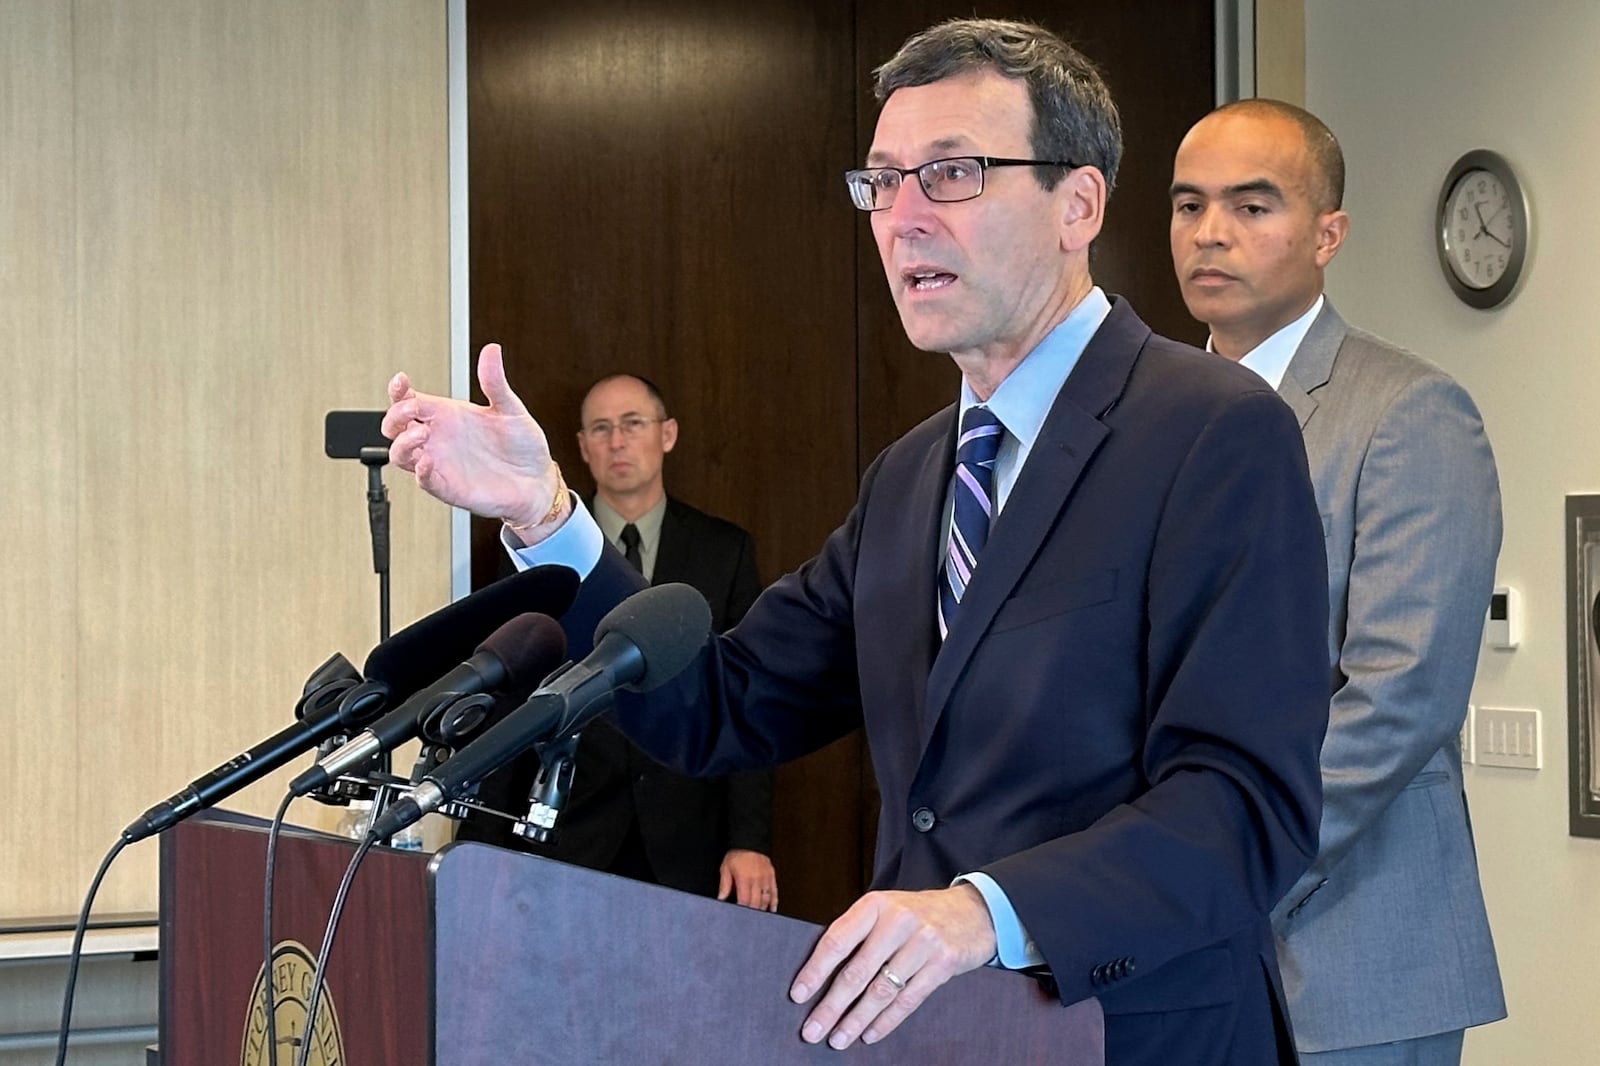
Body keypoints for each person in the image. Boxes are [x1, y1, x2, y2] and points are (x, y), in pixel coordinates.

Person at [384, 18, 1330, 1064]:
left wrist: (982, 911)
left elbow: (1244, 806)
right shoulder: (913, 474)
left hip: (1137, 1034)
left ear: (1080, 204)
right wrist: (542, 514)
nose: (903, 219)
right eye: (881, 182)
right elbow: (720, 704)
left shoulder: (1213, 431)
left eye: (951, 174)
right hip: (936, 1037)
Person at [1168, 98, 1506, 1065]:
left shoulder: (1409, 412)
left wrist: (1222, 866)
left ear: (1329, 234)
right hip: (1165, 944)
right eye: (1189, 206)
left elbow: (1402, 696)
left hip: (1347, 947)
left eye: (1252, 206)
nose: (1211, 233)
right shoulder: (1150, 420)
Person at [475, 372, 778, 910]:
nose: (618, 441)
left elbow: (746, 691)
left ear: (667, 434)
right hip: (569, 829)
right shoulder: (534, 549)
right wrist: (484, 843)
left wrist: (748, 840)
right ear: (582, 448)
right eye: (602, 428)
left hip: (690, 834)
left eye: (633, 424)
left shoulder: (724, 550)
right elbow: (509, 699)